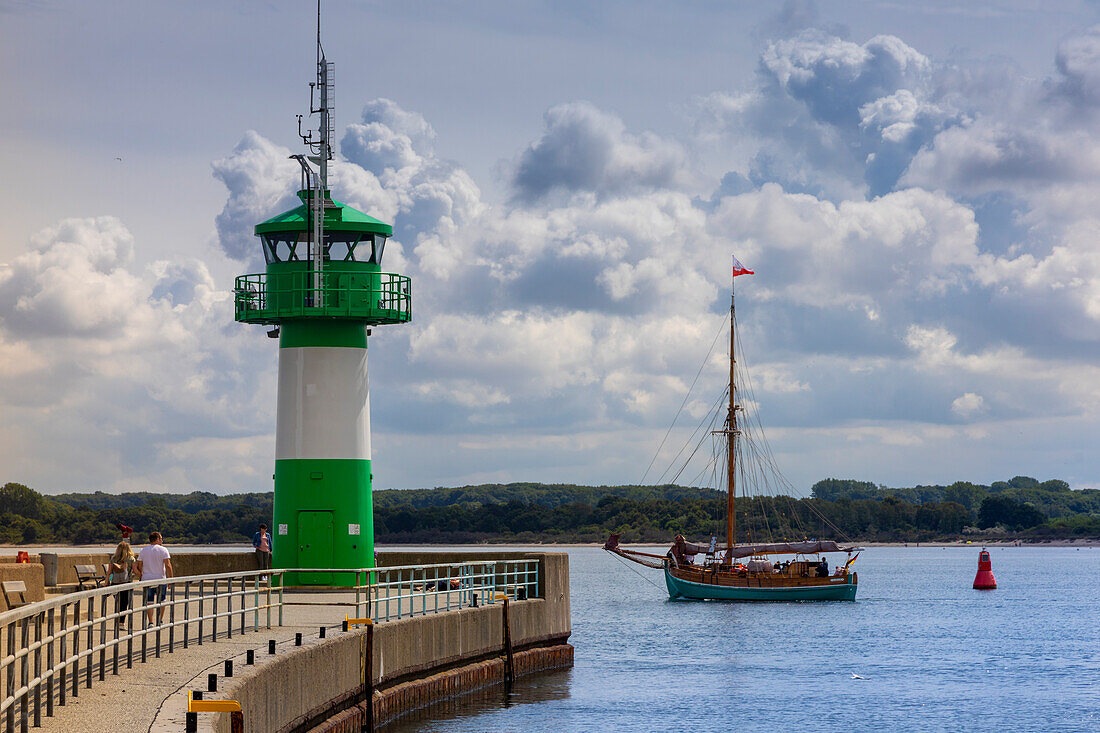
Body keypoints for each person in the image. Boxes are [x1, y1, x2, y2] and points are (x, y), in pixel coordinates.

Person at [136, 532, 173, 625]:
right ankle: (160, 620)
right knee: (162, 600)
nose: (162, 540)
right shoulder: (163, 550)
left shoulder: (143, 550)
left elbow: (139, 565)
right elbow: (168, 565)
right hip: (160, 579)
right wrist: (170, 579)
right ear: (157, 539)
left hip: (147, 579)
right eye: (161, 538)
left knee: (149, 602)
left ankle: (151, 622)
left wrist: (142, 574)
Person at [108, 541, 137, 629]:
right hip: (126, 584)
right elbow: (135, 571)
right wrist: (141, 576)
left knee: (118, 603)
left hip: (115, 583)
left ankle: (118, 621)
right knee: (124, 604)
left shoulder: (113, 559)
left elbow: (109, 572)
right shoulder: (131, 559)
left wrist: (106, 584)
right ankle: (121, 623)